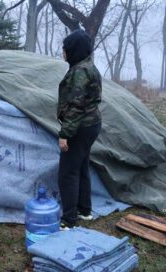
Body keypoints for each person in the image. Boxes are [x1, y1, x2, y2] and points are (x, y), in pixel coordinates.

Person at [57, 29, 102, 230]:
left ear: (74, 50)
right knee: (82, 167)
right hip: (91, 125)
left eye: (65, 49)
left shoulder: (79, 72)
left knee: (68, 173)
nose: (63, 53)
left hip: (80, 127)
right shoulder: (88, 67)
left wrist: (65, 134)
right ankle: (85, 211)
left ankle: (69, 220)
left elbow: (77, 106)